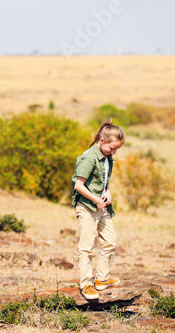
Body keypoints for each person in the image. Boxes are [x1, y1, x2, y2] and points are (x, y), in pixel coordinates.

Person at [70, 119, 125, 300]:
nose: (114, 152)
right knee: (86, 247)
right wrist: (96, 200)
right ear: (102, 141)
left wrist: (107, 193)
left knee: (110, 241)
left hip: (102, 205)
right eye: (112, 148)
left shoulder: (107, 157)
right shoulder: (89, 157)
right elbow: (79, 185)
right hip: (87, 206)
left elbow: (103, 182)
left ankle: (101, 279)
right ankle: (86, 284)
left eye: (116, 149)